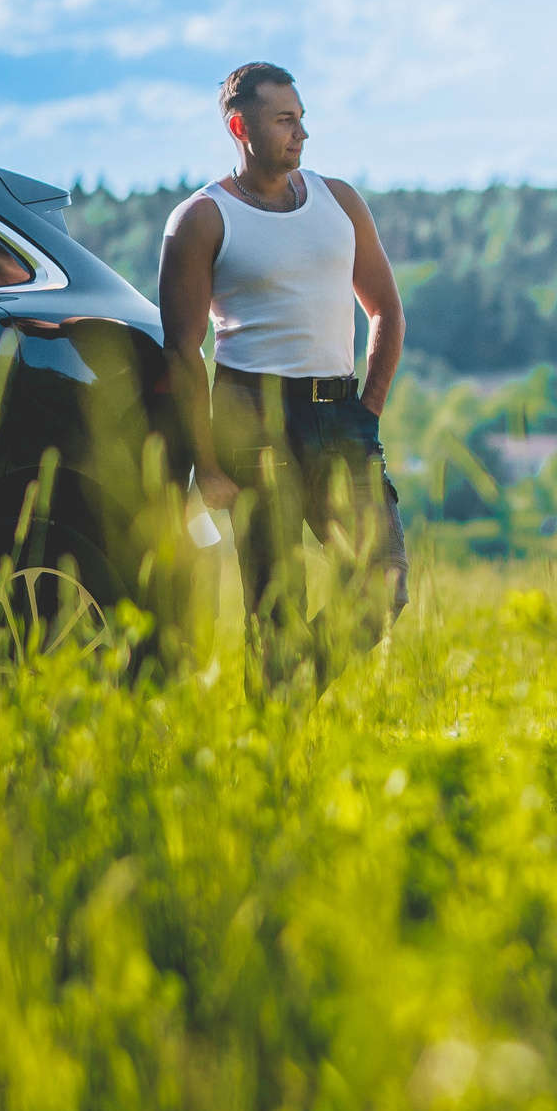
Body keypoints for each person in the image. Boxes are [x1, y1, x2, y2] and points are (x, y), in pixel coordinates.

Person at [158, 61, 408, 683]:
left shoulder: (339, 201)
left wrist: (367, 411)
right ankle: (276, 750)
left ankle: (289, 695)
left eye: (301, 118)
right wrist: (208, 463)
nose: (300, 133)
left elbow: (385, 310)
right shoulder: (202, 219)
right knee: (275, 605)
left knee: (384, 583)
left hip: (339, 413)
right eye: (284, 120)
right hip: (253, 417)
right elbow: (183, 351)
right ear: (241, 126)